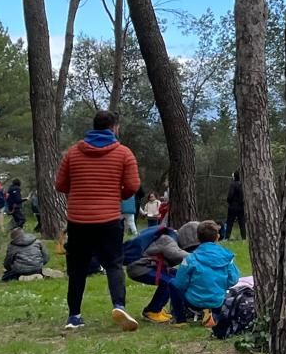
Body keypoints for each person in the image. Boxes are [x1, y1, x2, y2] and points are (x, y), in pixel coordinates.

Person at [55, 110, 142, 332]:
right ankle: (119, 305)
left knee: (77, 268)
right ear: (114, 128)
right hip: (109, 219)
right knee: (113, 264)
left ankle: (74, 315)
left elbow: (61, 185)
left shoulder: (73, 153)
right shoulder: (124, 154)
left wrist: (81, 190)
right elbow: (133, 186)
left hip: (78, 220)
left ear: (93, 127)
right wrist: (116, 194)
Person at [171, 221, 242, 327]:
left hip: (194, 302)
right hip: (218, 300)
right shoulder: (227, 257)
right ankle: (212, 314)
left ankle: (181, 320)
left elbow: (180, 283)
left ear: (198, 238)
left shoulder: (190, 258)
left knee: (172, 283)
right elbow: (234, 279)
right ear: (217, 237)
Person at [129, 221, 194, 323]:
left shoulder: (170, 238)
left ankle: (159, 308)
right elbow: (175, 253)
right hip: (141, 268)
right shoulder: (167, 239)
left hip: (150, 266)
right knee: (170, 282)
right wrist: (198, 257)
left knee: (177, 275)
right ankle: (152, 310)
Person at [223, 172, 245, 241]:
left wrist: (229, 201)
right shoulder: (242, 185)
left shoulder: (232, 185)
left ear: (234, 177)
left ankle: (226, 237)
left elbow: (230, 196)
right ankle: (244, 238)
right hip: (241, 207)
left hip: (232, 206)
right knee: (242, 223)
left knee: (229, 222)